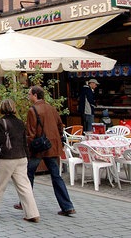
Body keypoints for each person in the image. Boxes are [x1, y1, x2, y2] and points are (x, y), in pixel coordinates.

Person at [0, 99, 40, 223]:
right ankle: (32, 213)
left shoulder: (1, 123)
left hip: (7, 157)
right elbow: (24, 140)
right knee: (24, 186)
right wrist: (27, 156)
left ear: (2, 108)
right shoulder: (20, 122)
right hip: (21, 157)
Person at [23, 85, 75, 216]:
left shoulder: (32, 110)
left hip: (39, 148)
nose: (28, 96)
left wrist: (28, 147)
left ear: (35, 95)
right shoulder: (52, 108)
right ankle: (67, 206)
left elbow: (31, 132)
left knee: (28, 174)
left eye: (29, 94)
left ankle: (25, 202)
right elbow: (60, 126)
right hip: (51, 147)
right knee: (56, 176)